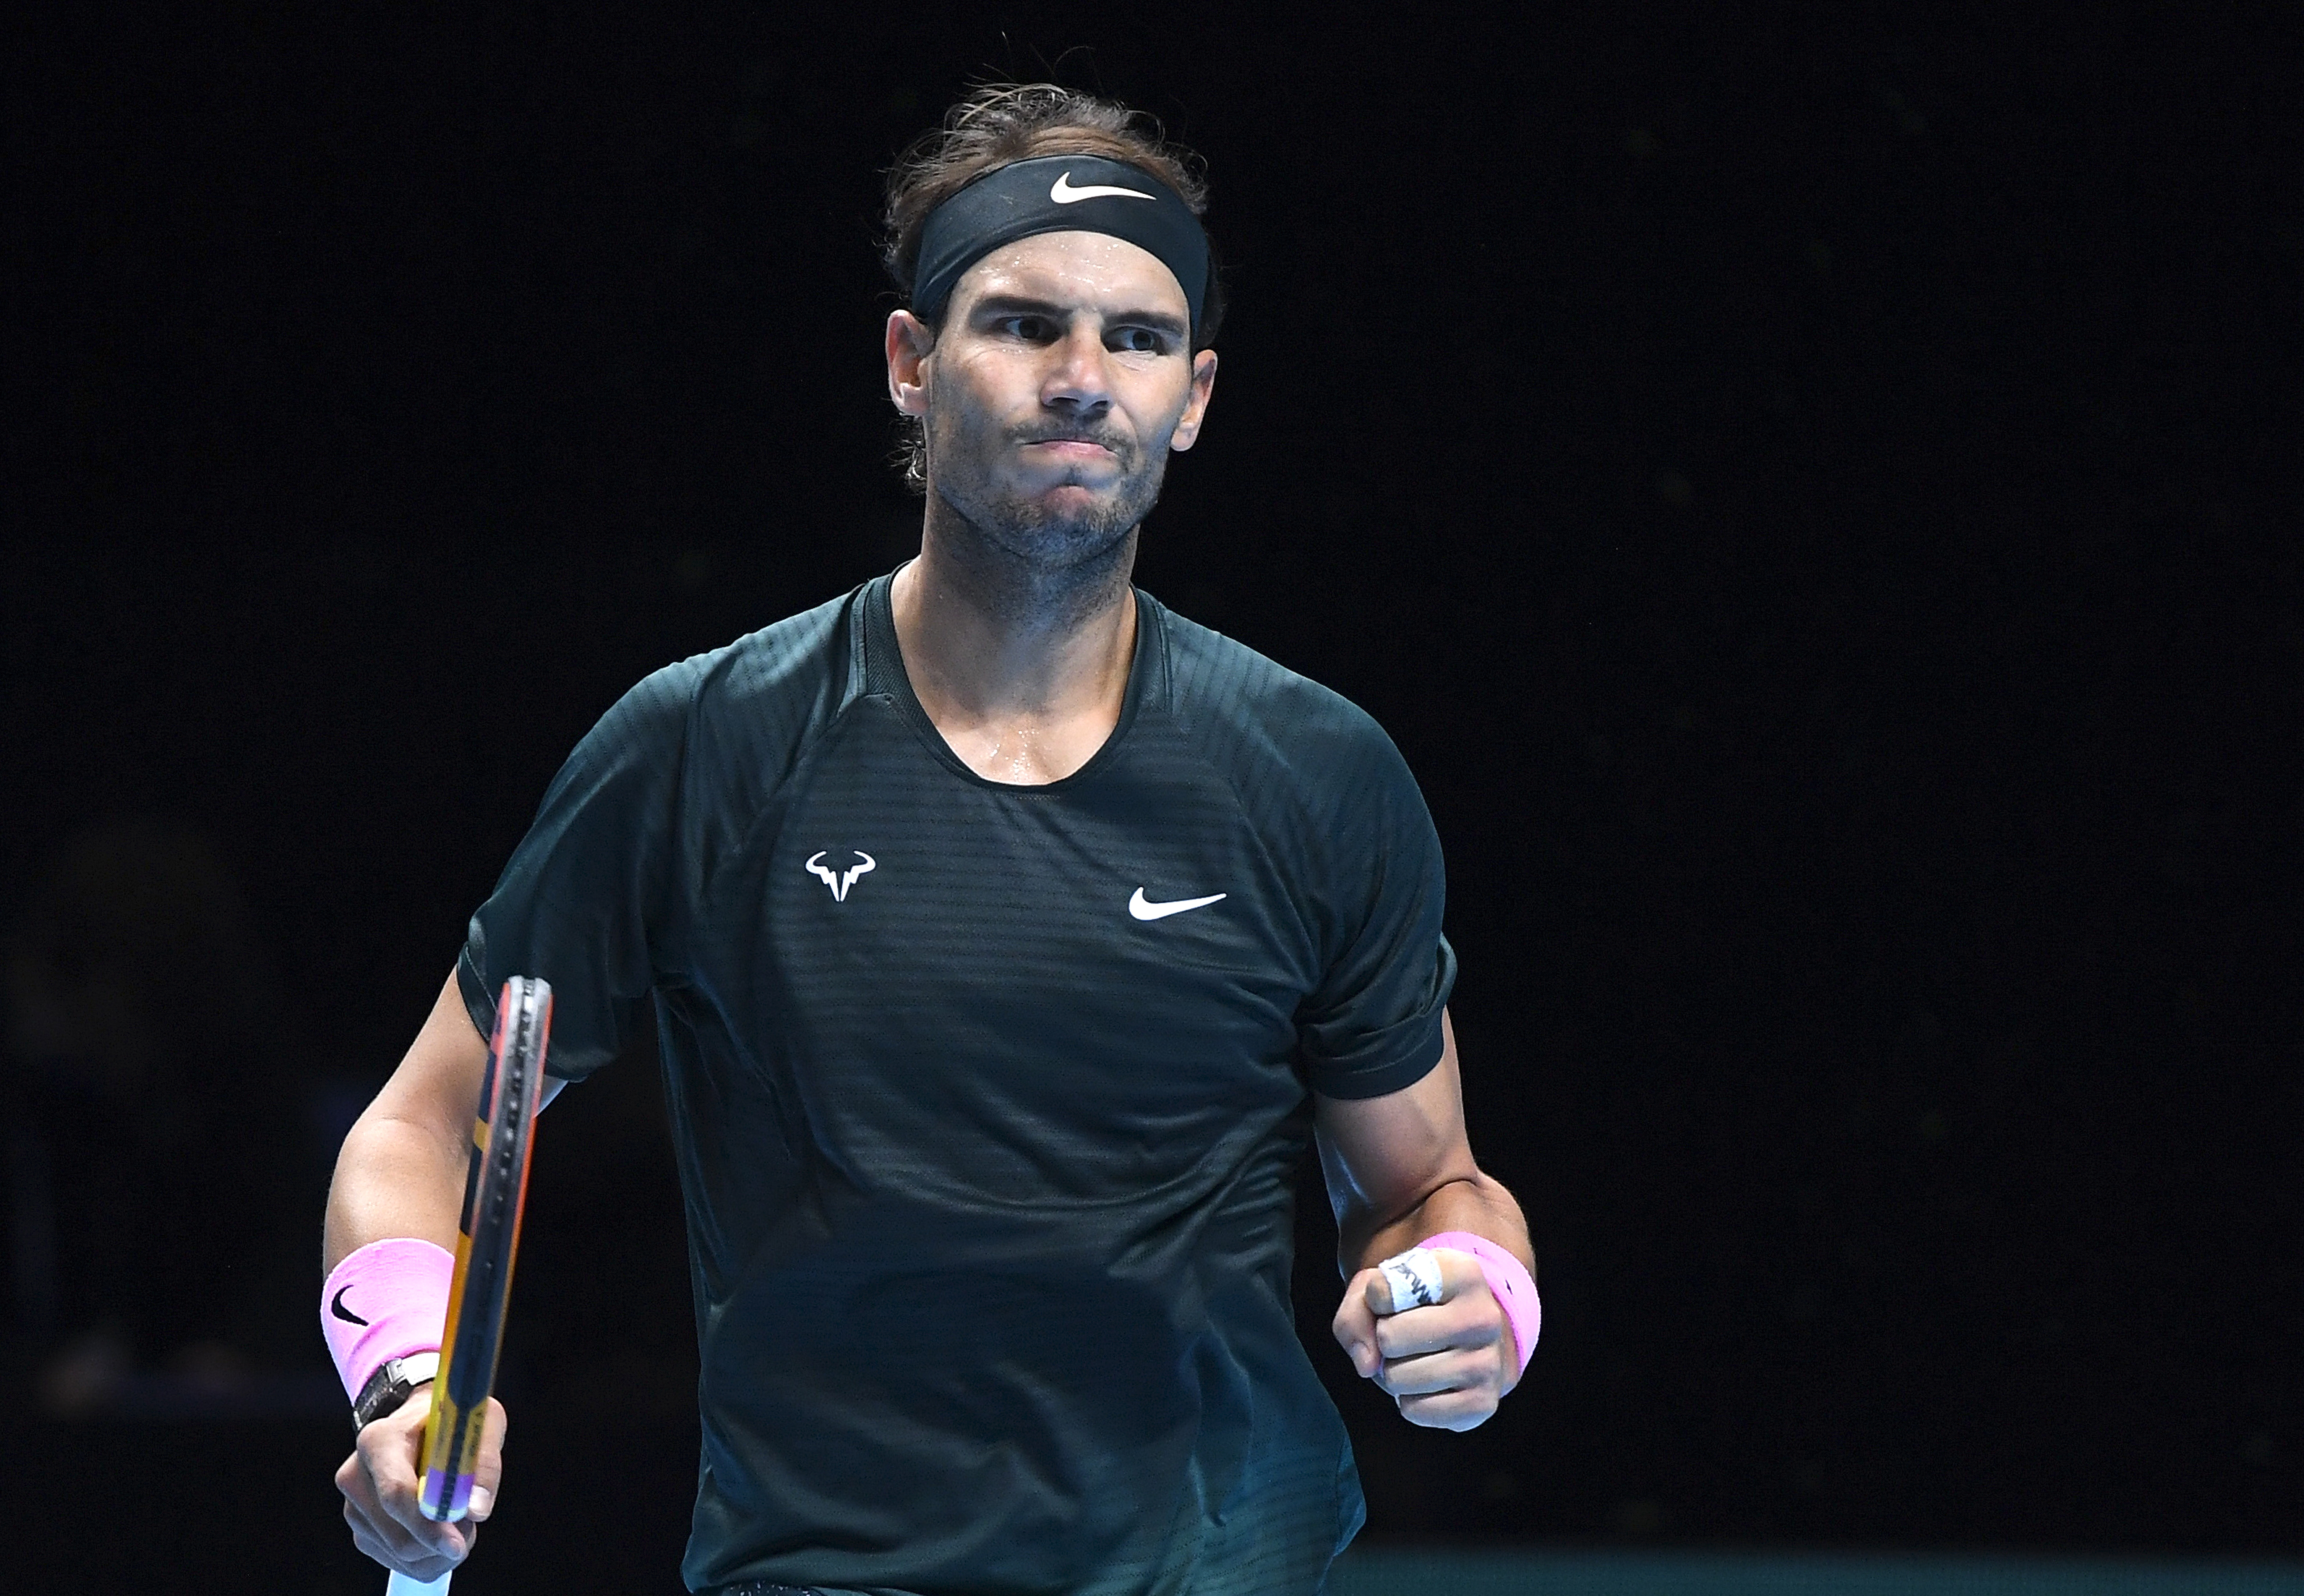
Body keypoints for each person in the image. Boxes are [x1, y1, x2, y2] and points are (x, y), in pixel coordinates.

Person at [323, 83, 1538, 1596]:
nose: (1084, 377)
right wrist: (400, 1386)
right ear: (911, 363)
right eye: (1025, 324)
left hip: (1216, 1566)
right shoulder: (706, 743)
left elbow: (1425, 1188)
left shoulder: (1315, 774)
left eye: (1138, 338)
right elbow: (421, 1126)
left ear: (1196, 396)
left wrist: (1477, 1294)